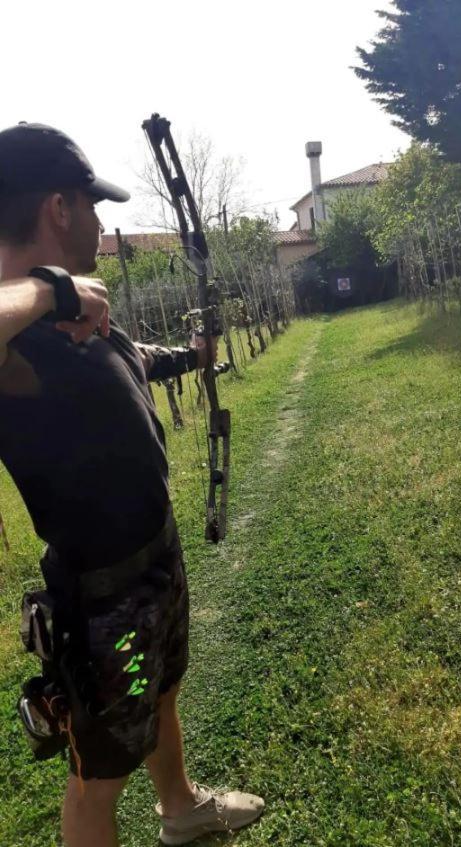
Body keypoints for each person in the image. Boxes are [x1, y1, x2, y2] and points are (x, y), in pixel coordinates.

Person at [0, 123, 264, 847]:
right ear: (59, 207)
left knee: (163, 689)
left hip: (153, 556)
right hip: (100, 595)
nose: (101, 220)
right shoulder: (21, 325)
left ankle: (180, 808)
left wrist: (190, 355)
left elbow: (127, 359)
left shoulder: (78, 314)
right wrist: (53, 289)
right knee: (97, 775)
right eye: (92, 204)